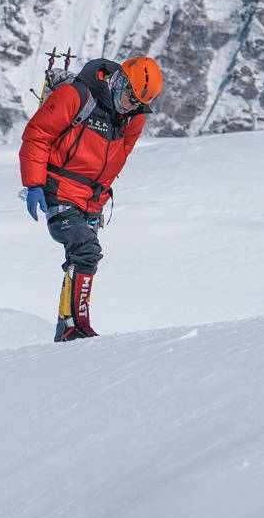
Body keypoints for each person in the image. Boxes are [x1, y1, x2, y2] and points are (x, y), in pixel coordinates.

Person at [19, 55, 164, 341]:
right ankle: (76, 325)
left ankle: (67, 328)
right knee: (85, 250)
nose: (129, 105)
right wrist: (34, 183)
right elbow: (38, 135)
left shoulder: (132, 117)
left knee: (80, 259)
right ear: (118, 80)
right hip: (58, 189)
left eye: (136, 103)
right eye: (128, 97)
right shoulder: (76, 96)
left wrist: (98, 198)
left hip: (91, 199)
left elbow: (119, 157)